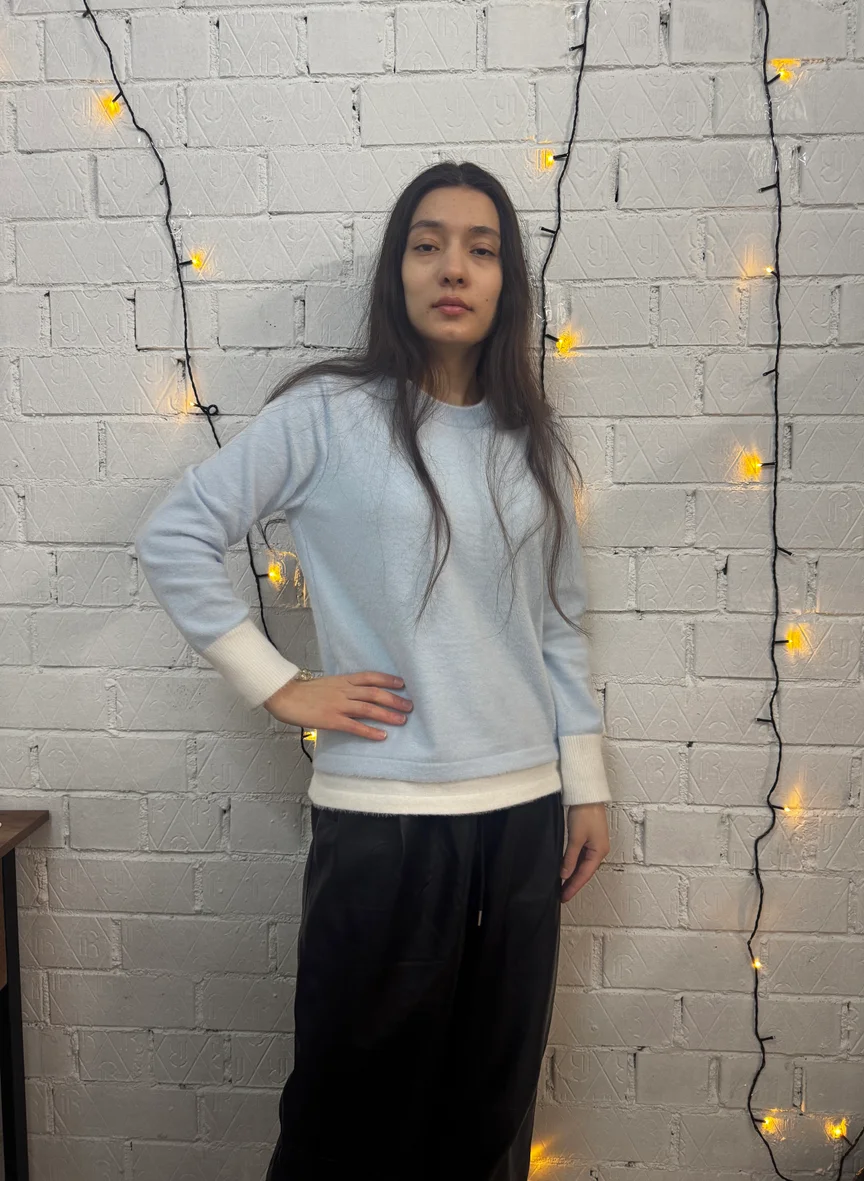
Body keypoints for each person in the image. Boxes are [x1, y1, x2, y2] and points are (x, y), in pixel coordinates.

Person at [134, 161, 611, 1181]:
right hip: (386, 822)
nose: (453, 268)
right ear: (398, 269)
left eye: (481, 249)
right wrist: (278, 682)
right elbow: (176, 533)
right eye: (427, 244)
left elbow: (559, 621)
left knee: (488, 1116)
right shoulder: (328, 415)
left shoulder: (533, 442)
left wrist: (586, 783)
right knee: (347, 1119)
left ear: (506, 281)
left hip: (523, 820)